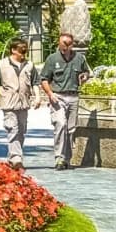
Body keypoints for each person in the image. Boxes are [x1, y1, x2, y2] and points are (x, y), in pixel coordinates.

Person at [38, 30, 91, 170]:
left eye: (67, 44)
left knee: (71, 129)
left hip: (73, 96)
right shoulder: (52, 59)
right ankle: (59, 158)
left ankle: (67, 158)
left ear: (72, 44)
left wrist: (85, 76)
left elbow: (86, 72)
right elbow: (44, 79)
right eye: (62, 43)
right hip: (58, 96)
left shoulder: (79, 58)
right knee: (60, 124)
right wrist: (50, 94)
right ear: (59, 43)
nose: (65, 47)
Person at [0, 38, 38, 168]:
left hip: (23, 103)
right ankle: (16, 158)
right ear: (13, 50)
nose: (23, 54)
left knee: (21, 131)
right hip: (8, 103)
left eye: (25, 51)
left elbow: (35, 82)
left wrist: (38, 97)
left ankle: (13, 159)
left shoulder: (29, 65)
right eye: (21, 51)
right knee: (13, 129)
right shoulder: (2, 65)